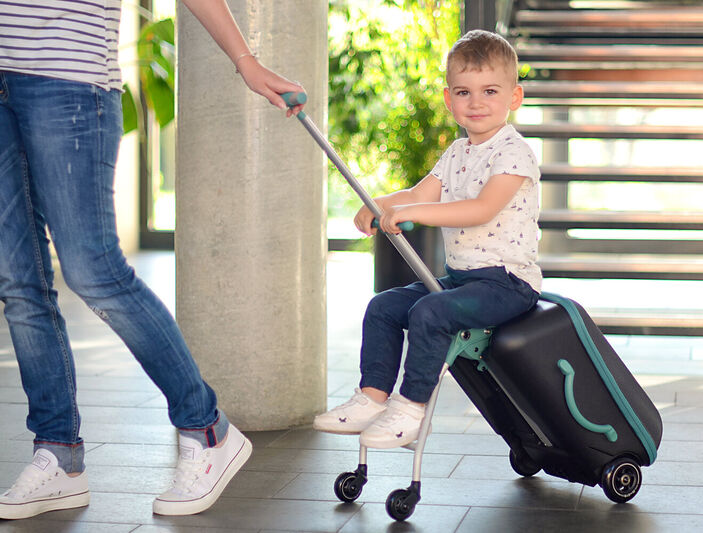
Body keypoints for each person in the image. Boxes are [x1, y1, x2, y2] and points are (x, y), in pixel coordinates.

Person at [0, 0, 304, 520]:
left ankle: (207, 429)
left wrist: (245, 60)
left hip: (68, 80)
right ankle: (60, 455)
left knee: (95, 271)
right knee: (17, 281)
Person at [313, 30, 541, 448]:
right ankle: (372, 397)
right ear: (448, 97)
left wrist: (411, 213)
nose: (476, 102)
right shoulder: (457, 152)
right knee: (383, 306)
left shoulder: (514, 153)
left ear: (514, 97)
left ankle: (411, 410)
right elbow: (419, 195)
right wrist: (379, 203)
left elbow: (480, 209)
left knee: (431, 313)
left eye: (490, 90)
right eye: (463, 92)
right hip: (463, 279)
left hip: (507, 284)